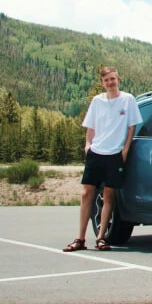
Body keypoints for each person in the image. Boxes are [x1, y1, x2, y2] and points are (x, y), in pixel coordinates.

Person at [63, 67, 141, 252]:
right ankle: (80, 239)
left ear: (118, 79)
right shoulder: (97, 101)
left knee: (108, 195)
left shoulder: (128, 99)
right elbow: (91, 126)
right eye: (107, 80)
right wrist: (87, 146)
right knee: (86, 193)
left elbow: (132, 127)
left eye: (113, 79)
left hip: (115, 154)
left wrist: (125, 149)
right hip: (96, 152)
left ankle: (101, 238)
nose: (110, 83)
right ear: (102, 83)